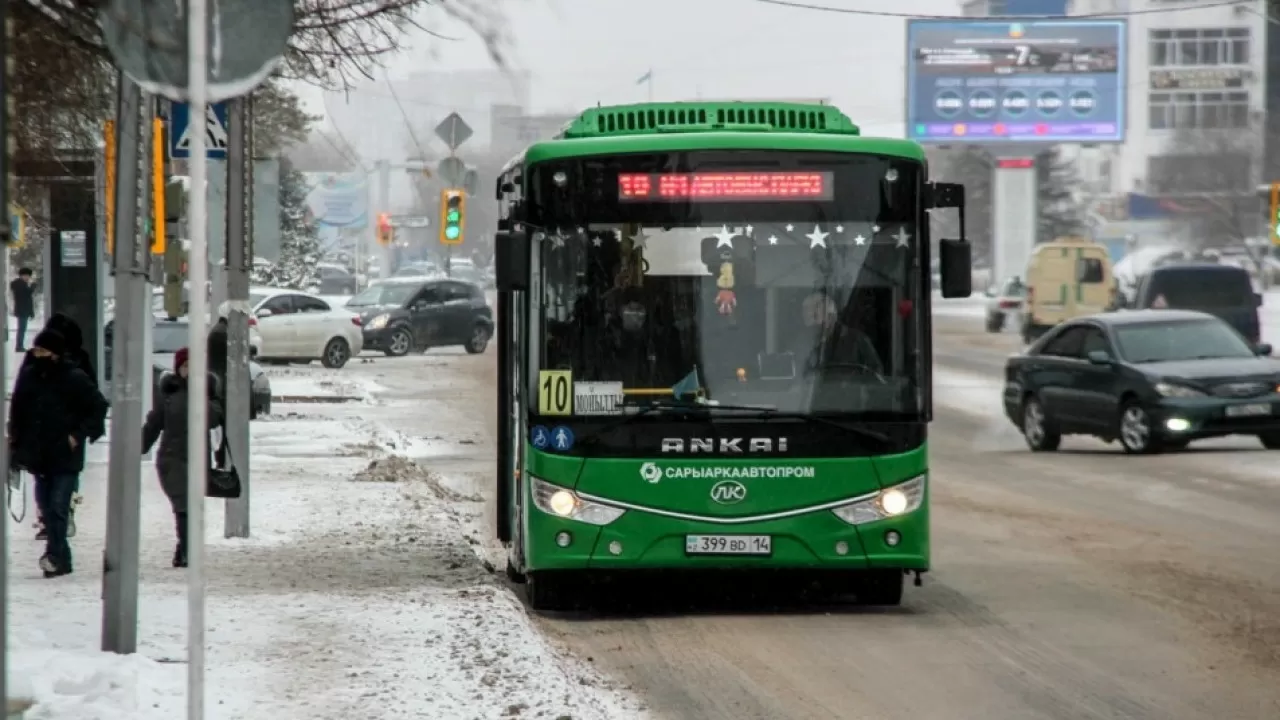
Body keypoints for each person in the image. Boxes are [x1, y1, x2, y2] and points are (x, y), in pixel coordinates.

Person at [8, 329, 109, 578]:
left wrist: (77, 435)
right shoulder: (31, 377)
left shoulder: (74, 378)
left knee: (57, 507)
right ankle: (62, 558)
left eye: (42, 351)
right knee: (45, 506)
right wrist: (16, 445)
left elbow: (97, 407)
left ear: (54, 353)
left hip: (65, 455)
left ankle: (53, 555)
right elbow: (18, 412)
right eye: (36, 350)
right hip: (39, 455)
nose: (37, 355)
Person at [142, 347, 224, 568]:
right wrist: (136, 448)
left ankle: (183, 549)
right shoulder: (167, 395)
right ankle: (188, 550)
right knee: (183, 505)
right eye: (186, 366)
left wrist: (198, 391)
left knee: (192, 506)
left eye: (194, 366)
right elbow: (153, 424)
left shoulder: (209, 392)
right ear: (178, 369)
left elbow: (214, 418)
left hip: (198, 460)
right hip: (171, 459)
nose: (190, 370)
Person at [26, 312, 98, 540]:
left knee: (62, 478)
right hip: (45, 433)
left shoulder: (77, 363)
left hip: (68, 432)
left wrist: (79, 431)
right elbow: (22, 395)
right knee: (45, 479)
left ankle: (60, 516)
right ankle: (53, 518)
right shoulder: (37, 361)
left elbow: (92, 398)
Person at [794, 291, 884, 375]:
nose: (809, 324)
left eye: (815, 316)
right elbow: (799, 375)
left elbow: (876, 375)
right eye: (806, 318)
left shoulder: (857, 341)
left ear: (830, 317)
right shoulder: (802, 345)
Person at [9, 268, 35, 352]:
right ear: (22, 275)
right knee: (21, 329)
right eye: (26, 276)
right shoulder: (19, 284)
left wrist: (31, 312)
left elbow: (28, 299)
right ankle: (19, 346)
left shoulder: (23, 284)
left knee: (22, 329)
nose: (28, 278)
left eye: (28, 276)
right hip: (22, 310)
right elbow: (26, 295)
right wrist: (32, 287)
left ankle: (20, 345)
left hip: (24, 310)